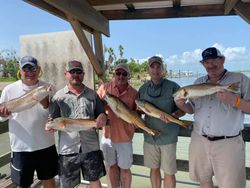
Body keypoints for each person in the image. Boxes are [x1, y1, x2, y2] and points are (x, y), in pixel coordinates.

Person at [175, 47, 250, 188]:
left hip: (228, 143)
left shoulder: (240, 80)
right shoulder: (197, 82)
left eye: (214, 60)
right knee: (204, 180)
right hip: (199, 140)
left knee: (231, 185)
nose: (210, 65)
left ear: (222, 60)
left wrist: (236, 101)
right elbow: (191, 109)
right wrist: (181, 104)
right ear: (203, 64)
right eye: (207, 62)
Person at [0, 56, 58, 188]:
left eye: (33, 68)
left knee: (49, 181)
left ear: (39, 70)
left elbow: (54, 115)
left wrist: (46, 104)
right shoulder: (9, 90)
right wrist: (3, 115)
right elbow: (1, 118)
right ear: (20, 71)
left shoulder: (48, 88)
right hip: (20, 147)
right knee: (22, 184)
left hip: (46, 145)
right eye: (26, 69)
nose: (30, 72)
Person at [49, 60, 107, 188]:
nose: (76, 74)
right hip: (68, 149)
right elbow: (52, 119)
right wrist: (51, 126)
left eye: (79, 72)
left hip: (91, 146)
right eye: (72, 72)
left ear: (83, 74)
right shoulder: (58, 97)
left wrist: (102, 116)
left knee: (95, 181)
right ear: (66, 74)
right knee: (67, 185)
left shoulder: (93, 95)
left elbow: (101, 113)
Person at [138, 56, 184, 188]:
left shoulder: (173, 87)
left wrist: (173, 115)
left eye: (158, 67)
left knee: (169, 172)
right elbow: (140, 111)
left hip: (168, 137)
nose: (155, 70)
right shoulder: (142, 89)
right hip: (150, 136)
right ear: (148, 70)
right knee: (153, 169)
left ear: (163, 69)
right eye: (152, 67)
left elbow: (183, 109)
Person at [97, 63, 138, 188]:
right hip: (107, 136)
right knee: (111, 167)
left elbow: (138, 114)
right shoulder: (104, 88)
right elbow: (96, 107)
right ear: (114, 74)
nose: (121, 76)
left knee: (125, 169)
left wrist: (136, 123)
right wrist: (101, 111)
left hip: (125, 137)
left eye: (124, 74)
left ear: (128, 76)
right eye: (118, 73)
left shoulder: (134, 93)